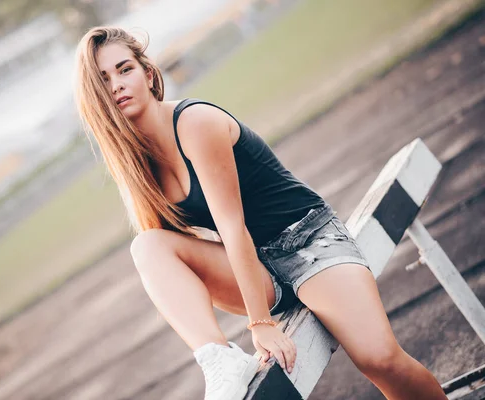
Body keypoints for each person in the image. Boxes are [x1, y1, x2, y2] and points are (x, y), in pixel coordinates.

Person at [73, 26, 448, 400]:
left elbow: (233, 228)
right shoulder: (137, 168)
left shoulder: (194, 122)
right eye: (103, 80)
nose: (117, 85)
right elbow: (180, 260)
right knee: (147, 247)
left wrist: (260, 323)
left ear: (149, 74)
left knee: (378, 359)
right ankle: (218, 360)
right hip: (259, 271)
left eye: (125, 70)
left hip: (307, 242)